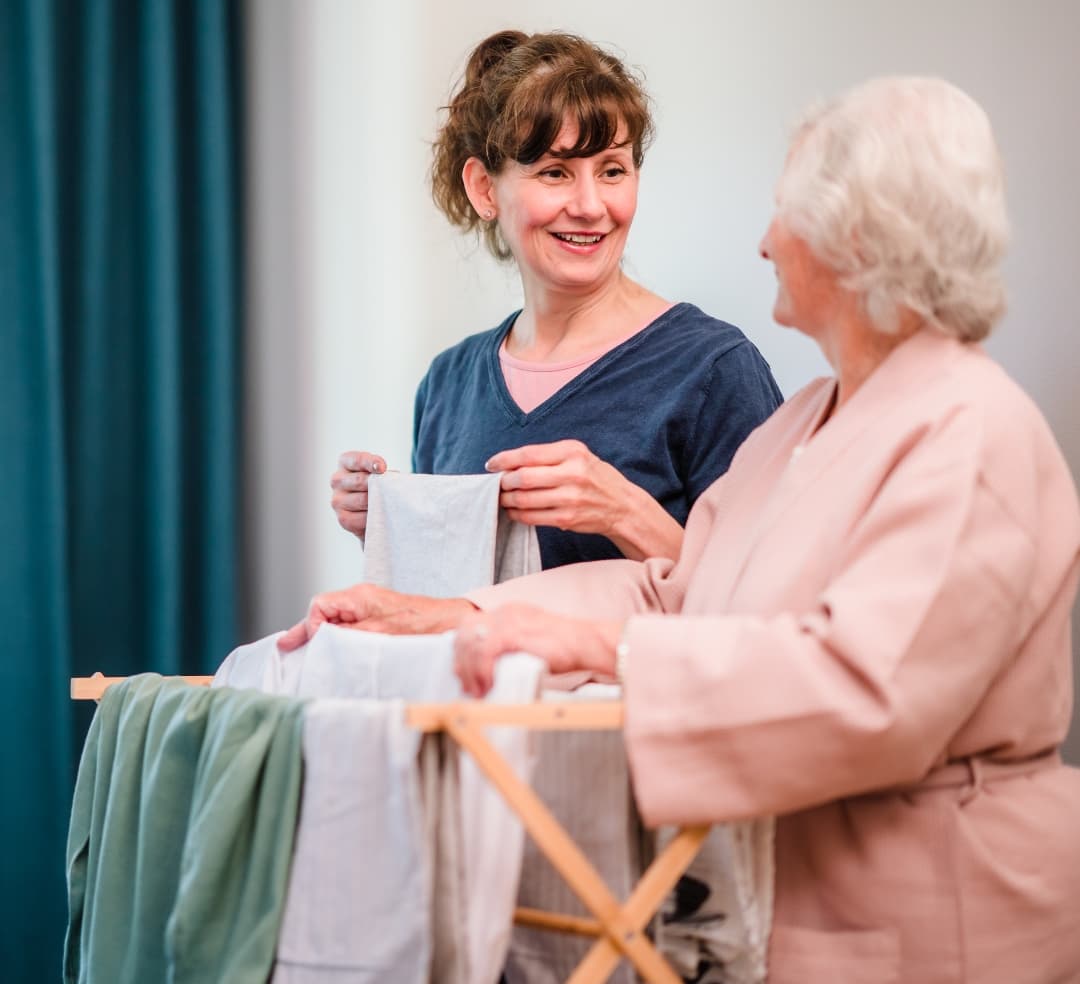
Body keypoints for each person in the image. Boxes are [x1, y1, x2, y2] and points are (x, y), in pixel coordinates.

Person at [282, 76, 1080, 982]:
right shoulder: (811, 418)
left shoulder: (970, 430)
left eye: (783, 212)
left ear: (857, 240)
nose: (764, 240)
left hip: (940, 912)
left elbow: (865, 692)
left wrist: (610, 653)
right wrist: (459, 617)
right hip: (800, 897)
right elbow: (681, 586)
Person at [329, 29, 781, 569]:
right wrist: (393, 525)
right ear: (484, 190)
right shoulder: (447, 386)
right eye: (555, 173)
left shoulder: (713, 370)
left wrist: (623, 514)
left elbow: (769, 606)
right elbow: (452, 605)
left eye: (612, 170)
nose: (591, 206)